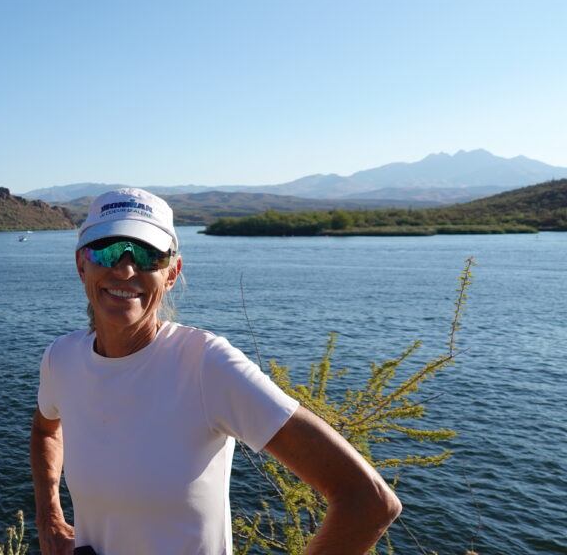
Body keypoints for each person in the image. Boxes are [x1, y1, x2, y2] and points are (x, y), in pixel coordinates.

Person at [30, 188, 401, 555]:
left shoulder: (206, 365)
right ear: (82, 264)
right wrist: (49, 517)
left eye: (147, 255)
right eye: (106, 250)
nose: (125, 268)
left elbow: (369, 502)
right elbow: (46, 430)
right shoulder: (61, 358)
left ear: (172, 272)